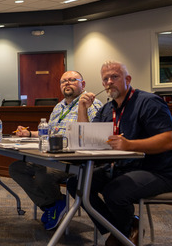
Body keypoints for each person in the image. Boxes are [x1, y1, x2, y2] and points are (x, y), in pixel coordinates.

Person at [69, 60, 172, 246]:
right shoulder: (107, 109)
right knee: (76, 184)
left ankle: (123, 234)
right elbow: (86, 138)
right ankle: (126, 228)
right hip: (123, 168)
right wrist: (82, 108)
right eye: (105, 79)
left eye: (115, 77)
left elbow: (168, 141)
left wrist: (130, 145)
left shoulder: (149, 102)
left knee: (115, 191)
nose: (109, 82)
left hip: (157, 171)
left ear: (127, 80)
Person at [9, 71, 103, 230]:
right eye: (63, 81)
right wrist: (30, 133)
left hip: (74, 160)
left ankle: (54, 205)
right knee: (16, 168)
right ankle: (53, 204)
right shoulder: (59, 107)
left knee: (43, 174)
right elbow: (51, 131)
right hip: (52, 156)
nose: (67, 83)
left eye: (72, 80)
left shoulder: (93, 104)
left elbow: (89, 136)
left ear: (83, 84)